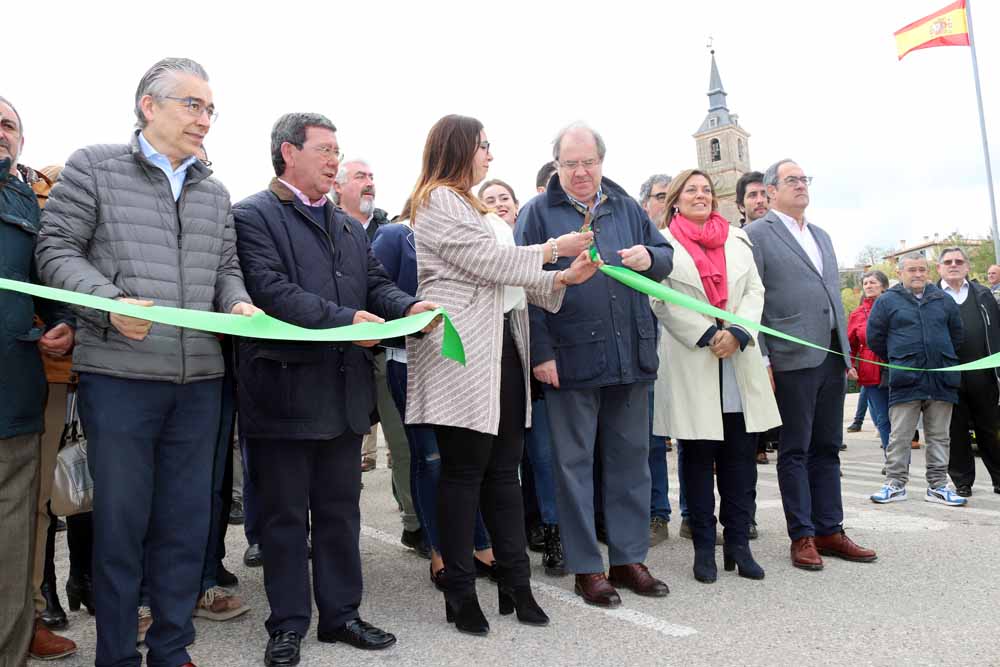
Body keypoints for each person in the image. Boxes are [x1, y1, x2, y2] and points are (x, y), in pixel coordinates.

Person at [36, 58, 259, 667]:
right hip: (122, 377)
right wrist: (108, 306)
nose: (204, 119)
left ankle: (172, 649)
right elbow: (54, 250)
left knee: (188, 526)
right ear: (148, 106)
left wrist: (237, 303)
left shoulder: (215, 190)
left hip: (200, 385)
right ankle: (117, 655)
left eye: (210, 109)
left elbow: (225, 271)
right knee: (121, 528)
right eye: (193, 104)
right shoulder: (95, 167)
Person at [234, 112, 439, 665]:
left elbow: (375, 283)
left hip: (343, 394)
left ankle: (341, 615)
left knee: (340, 512)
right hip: (282, 394)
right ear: (287, 153)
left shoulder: (348, 225)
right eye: (324, 150)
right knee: (281, 519)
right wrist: (348, 320)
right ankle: (288, 624)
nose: (334, 161)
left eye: (336, 151)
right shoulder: (252, 215)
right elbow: (270, 291)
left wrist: (409, 307)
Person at [405, 114, 598, 634]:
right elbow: (491, 263)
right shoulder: (437, 200)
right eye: (483, 145)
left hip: (503, 350)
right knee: (464, 474)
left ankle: (517, 585)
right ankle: (460, 591)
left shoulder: (472, 205)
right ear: (458, 147)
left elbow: (509, 278)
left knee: (504, 476)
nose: (490, 154)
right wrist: (556, 250)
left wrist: (562, 278)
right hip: (461, 354)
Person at [517, 122, 674, 607]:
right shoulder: (537, 213)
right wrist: (540, 354)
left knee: (631, 463)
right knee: (573, 466)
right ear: (556, 166)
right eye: (570, 164)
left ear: (601, 162)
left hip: (631, 357)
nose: (581, 172)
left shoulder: (625, 206)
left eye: (588, 162)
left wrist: (650, 255)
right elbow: (525, 283)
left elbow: (666, 257)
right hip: (569, 358)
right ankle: (588, 567)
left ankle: (628, 560)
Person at [745, 159, 877, 570]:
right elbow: (754, 298)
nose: (801, 186)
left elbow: (830, 294)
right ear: (770, 191)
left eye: (805, 179)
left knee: (826, 448)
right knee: (795, 449)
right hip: (791, 356)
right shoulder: (755, 235)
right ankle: (801, 535)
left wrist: (847, 355)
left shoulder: (821, 235)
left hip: (832, 355)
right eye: (792, 180)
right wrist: (764, 355)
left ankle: (829, 528)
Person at [652, 169, 780, 583]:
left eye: (706, 190)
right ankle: (704, 547)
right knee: (697, 460)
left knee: (741, 462)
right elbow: (661, 299)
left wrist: (739, 332)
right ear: (675, 200)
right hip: (695, 357)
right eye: (691, 190)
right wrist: (708, 335)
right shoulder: (663, 244)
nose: (701, 195)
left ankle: (739, 545)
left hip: (738, 357)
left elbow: (755, 291)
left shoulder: (737, 239)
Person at [372, 210, 500, 592]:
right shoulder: (397, 237)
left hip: (460, 362)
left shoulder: (467, 238)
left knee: (462, 460)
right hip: (409, 362)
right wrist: (413, 312)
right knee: (428, 458)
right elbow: (378, 291)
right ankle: (440, 551)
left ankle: (478, 543)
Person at [0, 96, 77, 664]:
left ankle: (19, 630)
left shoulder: (28, 199)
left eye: (8, 125)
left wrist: (60, 324)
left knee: (18, 527)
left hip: (16, 392)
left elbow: (43, 280)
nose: (1, 133)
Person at [333, 158, 424, 553]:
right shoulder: (327, 227)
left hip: (386, 354)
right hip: (338, 355)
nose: (370, 184)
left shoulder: (389, 231)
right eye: (360, 177)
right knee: (336, 451)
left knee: (404, 443)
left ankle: (414, 522)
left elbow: (382, 288)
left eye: (372, 177)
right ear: (338, 186)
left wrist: (406, 311)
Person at [478, 178, 566, 574]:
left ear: (516, 207)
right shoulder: (490, 250)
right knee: (506, 462)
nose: (498, 204)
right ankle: (510, 534)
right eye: (488, 200)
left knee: (544, 458)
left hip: (541, 368)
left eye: (504, 198)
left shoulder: (529, 245)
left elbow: (540, 302)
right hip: (502, 365)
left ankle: (552, 532)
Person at [866, 253, 965, 506]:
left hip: (941, 378)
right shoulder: (887, 301)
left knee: (940, 436)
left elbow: (957, 335)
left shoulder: (943, 300)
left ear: (929, 271)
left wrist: (939, 358)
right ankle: (895, 484)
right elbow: (875, 338)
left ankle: (938, 486)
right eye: (912, 270)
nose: (918, 274)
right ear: (900, 273)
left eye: (922, 269)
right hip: (905, 378)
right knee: (900, 435)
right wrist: (902, 359)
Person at [936, 248, 1000, 497]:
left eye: (959, 261)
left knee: (991, 428)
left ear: (967, 266)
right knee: (955, 431)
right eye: (948, 262)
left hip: (983, 374)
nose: (954, 265)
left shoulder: (983, 295)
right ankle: (962, 482)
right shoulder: (931, 297)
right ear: (939, 267)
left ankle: (998, 477)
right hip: (947, 376)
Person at [638, 172, 674, 547]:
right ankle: (656, 512)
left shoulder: (686, 241)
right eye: (662, 195)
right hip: (649, 351)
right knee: (651, 437)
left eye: (671, 195)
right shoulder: (637, 242)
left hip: (689, 348)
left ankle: (697, 515)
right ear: (645, 203)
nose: (667, 202)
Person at [847, 271, 891, 452]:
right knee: (882, 417)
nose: (869, 286)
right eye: (866, 283)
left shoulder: (894, 307)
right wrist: (848, 366)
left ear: (883, 286)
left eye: (873, 282)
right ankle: (892, 461)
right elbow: (850, 344)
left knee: (902, 417)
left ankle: (901, 459)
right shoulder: (857, 314)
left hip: (896, 365)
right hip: (870, 368)